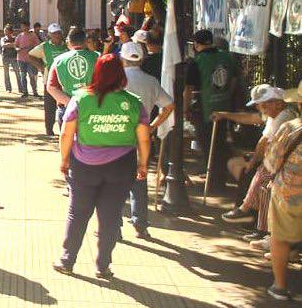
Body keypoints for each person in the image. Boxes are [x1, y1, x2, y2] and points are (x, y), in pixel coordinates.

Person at [54, 54, 151, 278]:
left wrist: (64, 159)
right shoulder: (134, 103)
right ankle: (103, 265)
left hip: (84, 167)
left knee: (77, 213)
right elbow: (144, 138)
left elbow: (67, 132)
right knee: (110, 217)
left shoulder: (81, 99)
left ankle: (67, 260)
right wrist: (143, 164)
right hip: (121, 167)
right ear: (121, 75)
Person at [216, 85, 296, 248]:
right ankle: (258, 226)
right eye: (260, 105)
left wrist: (252, 162)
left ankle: (246, 210)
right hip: (279, 162)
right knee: (255, 175)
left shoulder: (284, 116)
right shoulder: (275, 115)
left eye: (264, 104)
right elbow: (253, 121)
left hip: (286, 165)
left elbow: (264, 142)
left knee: (258, 175)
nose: (261, 108)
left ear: (278, 103)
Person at [120, 42, 174, 239]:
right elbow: (168, 105)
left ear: (123, 58)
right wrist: (153, 126)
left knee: (115, 182)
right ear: (141, 59)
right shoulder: (151, 81)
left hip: (117, 136)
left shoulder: (116, 79)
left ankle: (114, 226)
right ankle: (140, 224)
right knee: (139, 181)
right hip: (142, 136)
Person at [185, 30, 239, 191]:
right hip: (224, 107)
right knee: (220, 142)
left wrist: (185, 108)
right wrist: (227, 95)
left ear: (196, 44)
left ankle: (215, 182)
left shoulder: (197, 61)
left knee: (208, 145)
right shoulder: (227, 57)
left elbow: (188, 88)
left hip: (204, 110)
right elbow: (235, 79)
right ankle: (220, 177)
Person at [263, 85, 302, 301]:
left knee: (280, 238)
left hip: (289, 192)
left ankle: (280, 286)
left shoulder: (290, 128)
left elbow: (271, 162)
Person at [47, 28, 100, 132]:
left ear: (69, 42)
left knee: (68, 143)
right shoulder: (97, 57)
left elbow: (51, 87)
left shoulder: (58, 60)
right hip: (93, 107)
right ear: (85, 42)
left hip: (67, 108)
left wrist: (71, 103)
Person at [28, 25, 69, 135]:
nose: (57, 35)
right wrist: (40, 67)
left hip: (66, 81)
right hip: (50, 80)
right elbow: (30, 55)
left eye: (58, 33)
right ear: (49, 35)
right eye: (54, 33)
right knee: (50, 106)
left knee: (66, 105)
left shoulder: (67, 46)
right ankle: (49, 129)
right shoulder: (44, 46)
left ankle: (65, 129)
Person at [14, 21, 41, 98]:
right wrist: (17, 49)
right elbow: (15, 45)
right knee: (23, 76)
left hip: (30, 59)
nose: (23, 28)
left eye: (25, 26)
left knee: (31, 76)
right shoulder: (19, 36)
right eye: (22, 26)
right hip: (21, 59)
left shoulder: (33, 36)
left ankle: (34, 91)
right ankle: (25, 92)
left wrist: (31, 48)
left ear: (28, 27)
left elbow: (37, 46)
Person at [0, 25, 20, 94]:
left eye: (7, 31)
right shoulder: (3, 39)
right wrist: (12, 45)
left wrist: (9, 44)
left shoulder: (15, 38)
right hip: (5, 57)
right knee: (6, 73)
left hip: (14, 57)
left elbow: (16, 45)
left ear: (11, 31)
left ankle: (21, 88)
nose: (5, 32)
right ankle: (8, 88)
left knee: (17, 73)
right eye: (5, 31)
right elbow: (3, 45)